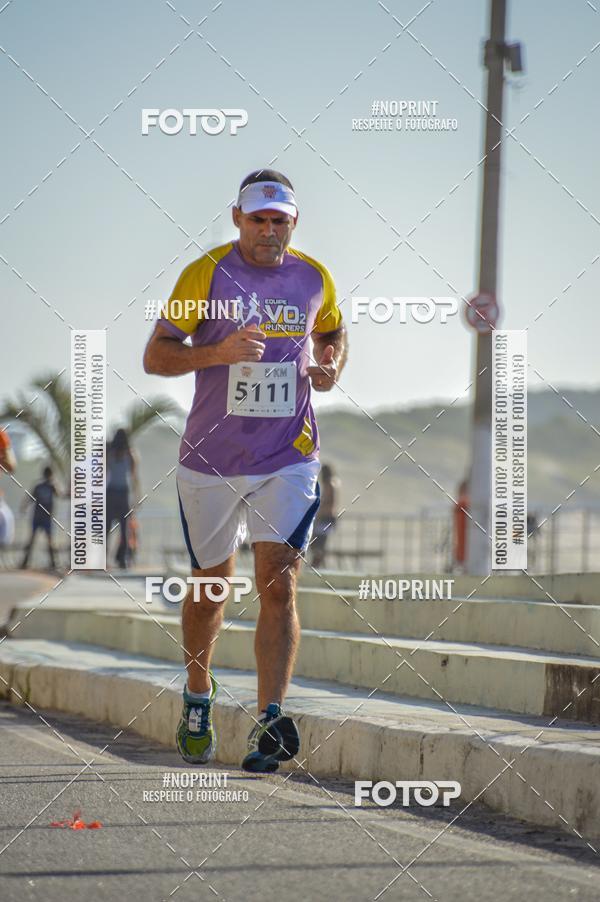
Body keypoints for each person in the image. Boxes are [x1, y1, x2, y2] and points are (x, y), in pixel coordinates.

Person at [144, 169, 347, 773]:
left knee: (279, 582)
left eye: (278, 219)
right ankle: (198, 697)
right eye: (257, 219)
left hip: (288, 455)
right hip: (211, 459)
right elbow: (156, 355)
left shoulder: (315, 277)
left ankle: (270, 719)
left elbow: (334, 333)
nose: (267, 230)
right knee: (211, 586)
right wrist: (218, 352)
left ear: (293, 222)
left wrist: (334, 367)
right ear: (237, 218)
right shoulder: (204, 274)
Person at [106, 429, 139, 570]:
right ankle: (122, 560)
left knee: (107, 528)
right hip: (121, 493)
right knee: (123, 528)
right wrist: (137, 496)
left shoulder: (111, 454)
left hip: (112, 492)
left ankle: (111, 558)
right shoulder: (129, 455)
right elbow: (134, 477)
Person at [20, 465, 59, 570]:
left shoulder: (39, 486)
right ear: (51, 474)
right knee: (49, 540)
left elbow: (30, 498)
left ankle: (24, 562)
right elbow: (59, 494)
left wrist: (24, 507)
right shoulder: (51, 485)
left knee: (32, 539)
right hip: (45, 517)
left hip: (38, 517)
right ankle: (53, 563)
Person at [311, 464, 340, 568]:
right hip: (328, 518)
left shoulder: (329, 484)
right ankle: (318, 566)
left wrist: (318, 513)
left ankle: (316, 566)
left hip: (325, 518)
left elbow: (327, 502)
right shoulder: (334, 483)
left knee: (317, 543)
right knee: (318, 544)